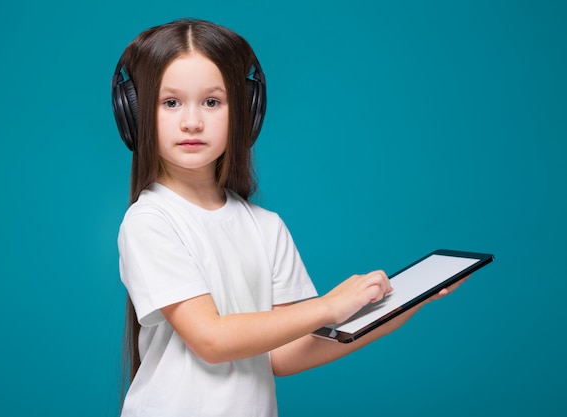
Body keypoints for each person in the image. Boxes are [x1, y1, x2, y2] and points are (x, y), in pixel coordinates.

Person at [112, 18, 464, 417]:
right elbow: (211, 339)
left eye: (212, 102)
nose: (192, 121)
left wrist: (404, 305)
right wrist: (329, 306)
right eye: (170, 102)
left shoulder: (266, 226)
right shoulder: (150, 220)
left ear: (245, 111)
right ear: (135, 113)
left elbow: (283, 355)